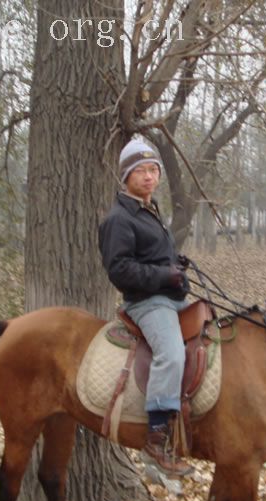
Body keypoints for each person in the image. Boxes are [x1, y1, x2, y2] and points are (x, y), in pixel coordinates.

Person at [98, 138, 192, 477]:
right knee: (172, 354)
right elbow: (119, 270)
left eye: (154, 170)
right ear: (126, 176)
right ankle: (155, 438)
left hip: (170, 297)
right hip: (146, 303)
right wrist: (164, 274)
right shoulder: (119, 219)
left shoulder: (149, 210)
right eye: (141, 171)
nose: (150, 177)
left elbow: (148, 257)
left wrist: (173, 265)